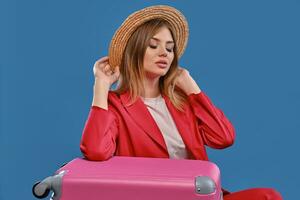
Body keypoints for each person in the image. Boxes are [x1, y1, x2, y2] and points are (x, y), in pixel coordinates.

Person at [80, 5, 282, 200]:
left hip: (201, 196)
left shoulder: (182, 102)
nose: (164, 53)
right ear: (135, 51)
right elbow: (96, 151)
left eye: (169, 48)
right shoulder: (115, 106)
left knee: (268, 196)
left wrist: (193, 88)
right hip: (156, 197)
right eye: (153, 45)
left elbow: (224, 138)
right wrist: (101, 85)